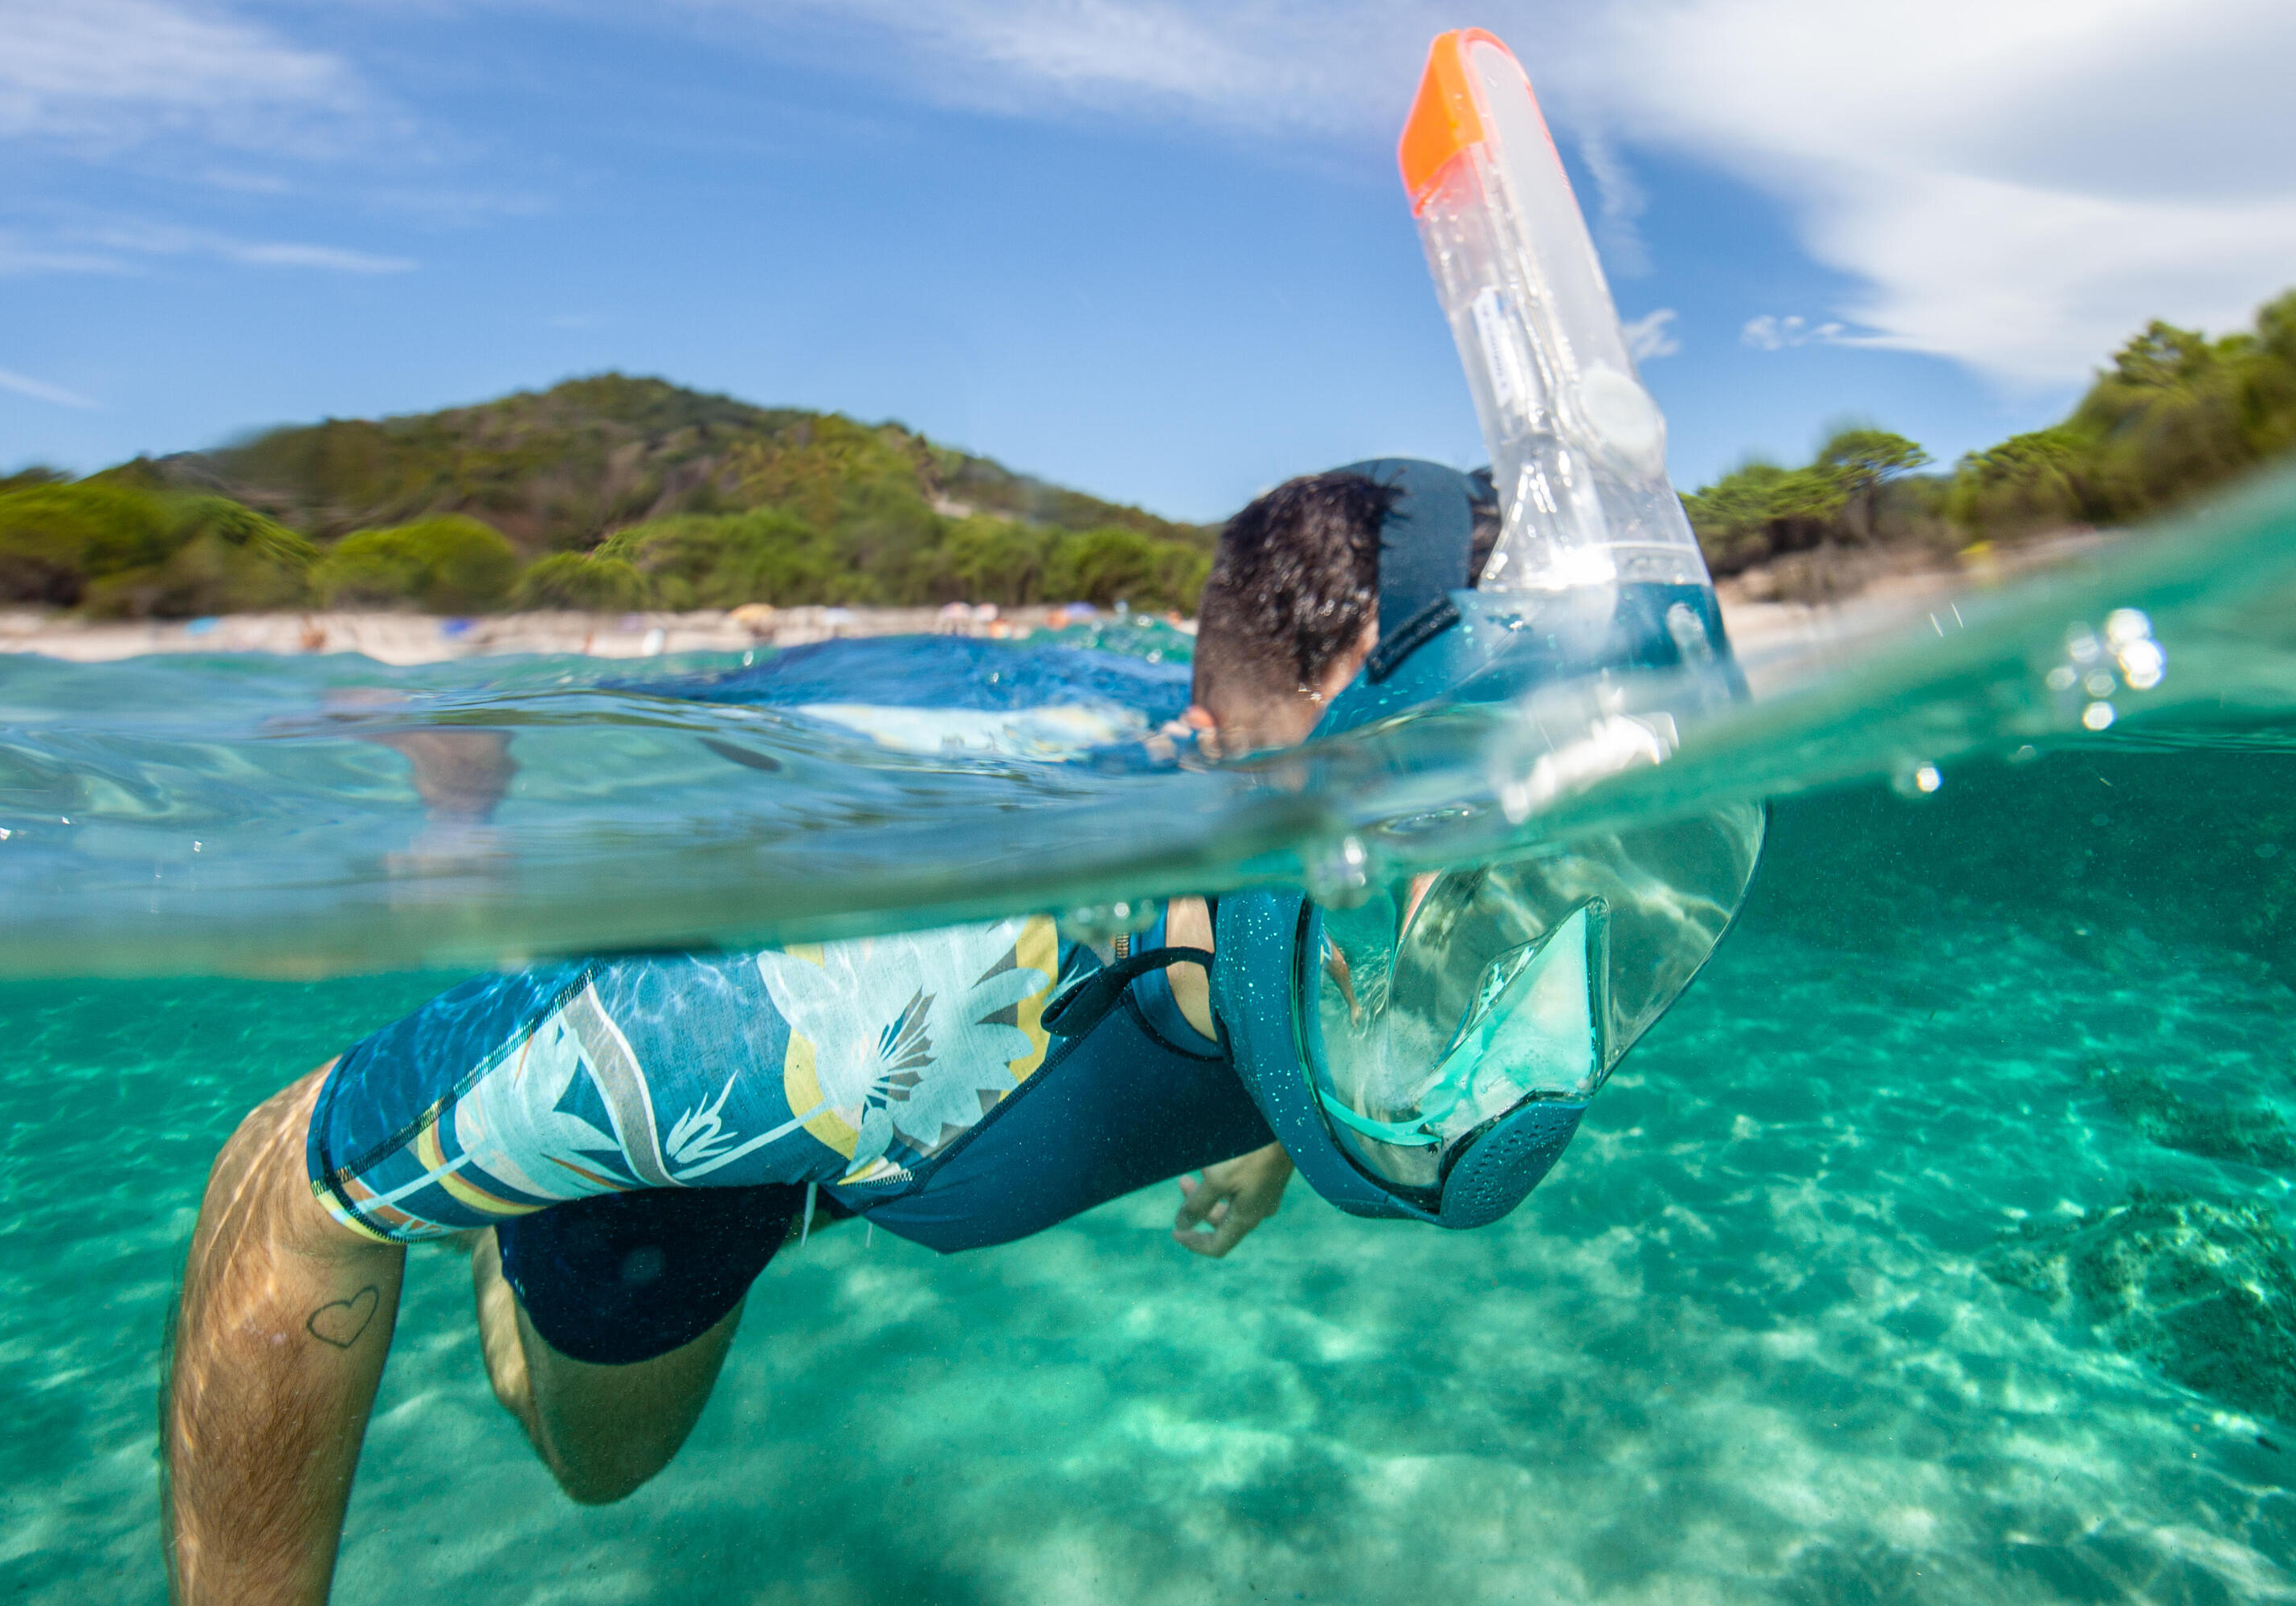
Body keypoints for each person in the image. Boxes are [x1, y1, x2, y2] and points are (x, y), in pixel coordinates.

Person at [162, 464, 1484, 1606]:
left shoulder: (1415, 920)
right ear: (1222, 754)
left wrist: (1274, 1113)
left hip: (912, 1112)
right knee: (595, 1464)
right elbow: (282, 1184)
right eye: (1409, 799)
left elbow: (1344, 949)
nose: (1464, 897)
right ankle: (470, 836)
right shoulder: (839, 1009)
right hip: (780, 1089)